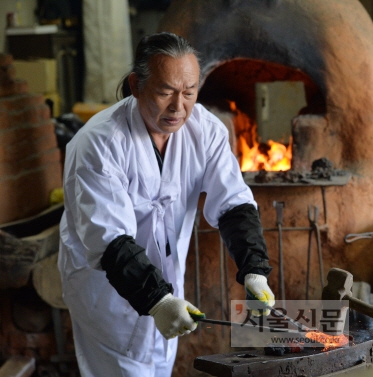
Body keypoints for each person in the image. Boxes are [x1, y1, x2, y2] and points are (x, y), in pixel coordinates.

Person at [57, 32, 275, 376]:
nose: (179, 107)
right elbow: (110, 239)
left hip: (167, 293)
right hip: (109, 297)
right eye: (165, 92)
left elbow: (233, 204)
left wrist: (255, 270)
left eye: (189, 92)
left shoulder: (206, 131)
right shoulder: (98, 144)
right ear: (136, 85)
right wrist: (157, 300)